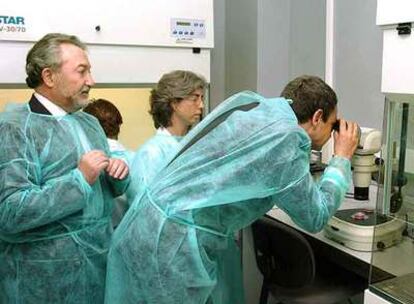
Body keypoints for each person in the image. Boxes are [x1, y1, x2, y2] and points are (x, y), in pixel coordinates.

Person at [105, 75, 359, 304]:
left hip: (146, 226)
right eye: (332, 124)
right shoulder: (286, 140)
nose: (333, 132)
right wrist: (341, 158)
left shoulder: (258, 110)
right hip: (173, 243)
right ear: (317, 117)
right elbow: (315, 217)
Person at [0, 33, 130, 303]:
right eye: (81, 72)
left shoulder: (90, 124)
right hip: (42, 281)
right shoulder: (14, 128)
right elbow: (9, 213)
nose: (91, 81)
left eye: (89, 71)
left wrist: (116, 176)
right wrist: (78, 180)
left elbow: (102, 197)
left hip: (98, 270)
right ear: (49, 77)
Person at [127, 70, 206, 200]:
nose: (201, 105)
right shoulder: (151, 153)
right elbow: (145, 207)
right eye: (194, 98)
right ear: (174, 103)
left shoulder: (193, 145)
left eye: (202, 98)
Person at [83, 98, 134, 227]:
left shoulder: (85, 162)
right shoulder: (137, 157)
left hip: (97, 234)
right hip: (131, 232)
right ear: (119, 124)